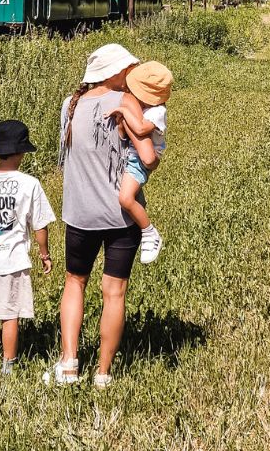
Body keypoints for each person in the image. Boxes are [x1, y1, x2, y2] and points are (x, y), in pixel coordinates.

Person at [50, 43, 159, 387]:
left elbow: (65, 161)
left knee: (74, 283)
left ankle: (69, 364)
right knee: (114, 293)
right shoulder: (125, 102)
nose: (131, 74)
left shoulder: (70, 104)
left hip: (79, 213)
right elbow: (147, 155)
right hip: (120, 218)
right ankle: (103, 373)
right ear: (113, 72)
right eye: (127, 68)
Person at [0, 119, 55, 374]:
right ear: (21, 152)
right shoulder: (29, 184)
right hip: (12, 260)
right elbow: (39, 226)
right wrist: (44, 254)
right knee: (9, 314)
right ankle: (9, 365)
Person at [108, 60, 173, 264]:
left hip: (140, 160)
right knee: (127, 196)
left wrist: (125, 112)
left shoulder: (157, 111)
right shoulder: (148, 108)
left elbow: (142, 129)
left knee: (125, 198)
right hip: (133, 154)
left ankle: (149, 233)